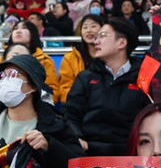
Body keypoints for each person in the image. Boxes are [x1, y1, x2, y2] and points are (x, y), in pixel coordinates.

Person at [64, 17, 151, 155]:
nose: (96, 41)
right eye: (96, 37)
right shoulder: (86, 78)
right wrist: (77, 138)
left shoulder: (144, 77)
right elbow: (71, 114)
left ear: (121, 42)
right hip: (89, 151)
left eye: (103, 35)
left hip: (132, 152)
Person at [0, 43, 53, 113]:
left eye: (24, 58)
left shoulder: (44, 94)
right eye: (15, 56)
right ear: (3, 59)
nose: (18, 60)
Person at [5, 20, 60, 103]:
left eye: (24, 28)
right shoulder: (2, 59)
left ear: (33, 33)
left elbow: (53, 92)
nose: (18, 31)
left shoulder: (44, 60)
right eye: (15, 28)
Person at [57, 14, 103, 104]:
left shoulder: (110, 55)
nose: (89, 30)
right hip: (79, 104)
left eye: (93, 26)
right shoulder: (70, 58)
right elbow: (64, 90)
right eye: (85, 27)